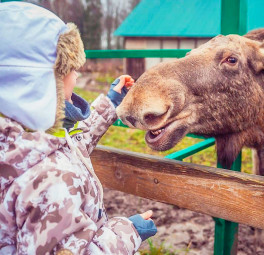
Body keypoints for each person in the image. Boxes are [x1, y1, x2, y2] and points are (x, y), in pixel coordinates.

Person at [0, 2, 156, 254]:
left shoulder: (21, 145)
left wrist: (108, 105)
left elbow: (66, 149)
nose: (76, 76)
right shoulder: (51, 180)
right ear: (37, 83)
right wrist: (129, 231)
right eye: (69, 70)